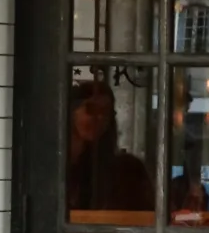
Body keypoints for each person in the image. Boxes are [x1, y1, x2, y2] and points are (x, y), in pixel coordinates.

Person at [66, 76, 155, 216]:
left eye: (106, 112)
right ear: (72, 111)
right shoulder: (59, 164)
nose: (99, 117)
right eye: (91, 109)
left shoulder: (123, 171)